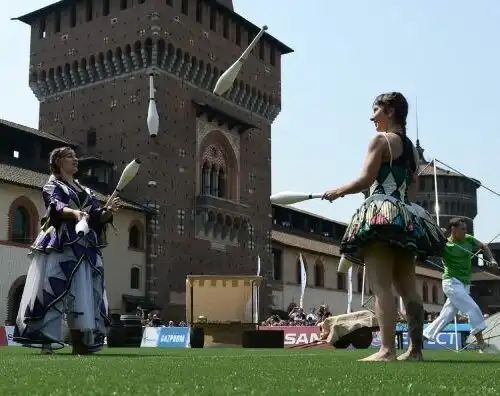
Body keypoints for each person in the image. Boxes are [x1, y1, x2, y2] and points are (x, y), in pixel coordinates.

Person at [323, 92, 447, 362]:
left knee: (380, 286)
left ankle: (387, 350)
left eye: (376, 110)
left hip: (381, 214)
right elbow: (413, 186)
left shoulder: (380, 140)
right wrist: (401, 210)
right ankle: (415, 351)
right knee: (408, 288)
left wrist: (338, 191)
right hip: (405, 217)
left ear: (390, 111)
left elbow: (366, 178)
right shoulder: (412, 150)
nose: (372, 117)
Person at [13, 147, 121, 355]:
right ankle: (46, 341)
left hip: (86, 245)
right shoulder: (52, 185)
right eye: (70, 157)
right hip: (61, 243)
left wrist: (107, 212)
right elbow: (55, 207)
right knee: (54, 288)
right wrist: (75, 213)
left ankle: (81, 343)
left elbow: (95, 216)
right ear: (58, 161)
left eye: (75, 156)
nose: (76, 160)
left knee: (85, 292)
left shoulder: (85, 190)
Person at [423, 217, 498, 352]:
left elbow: (484, 246)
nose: (465, 231)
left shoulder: (468, 239)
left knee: (448, 314)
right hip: (451, 282)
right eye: (462, 229)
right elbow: (428, 248)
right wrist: (437, 234)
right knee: (473, 308)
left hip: (464, 283)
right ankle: (481, 342)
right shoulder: (445, 245)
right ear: (453, 229)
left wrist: (491, 259)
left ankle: (424, 335)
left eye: (466, 229)